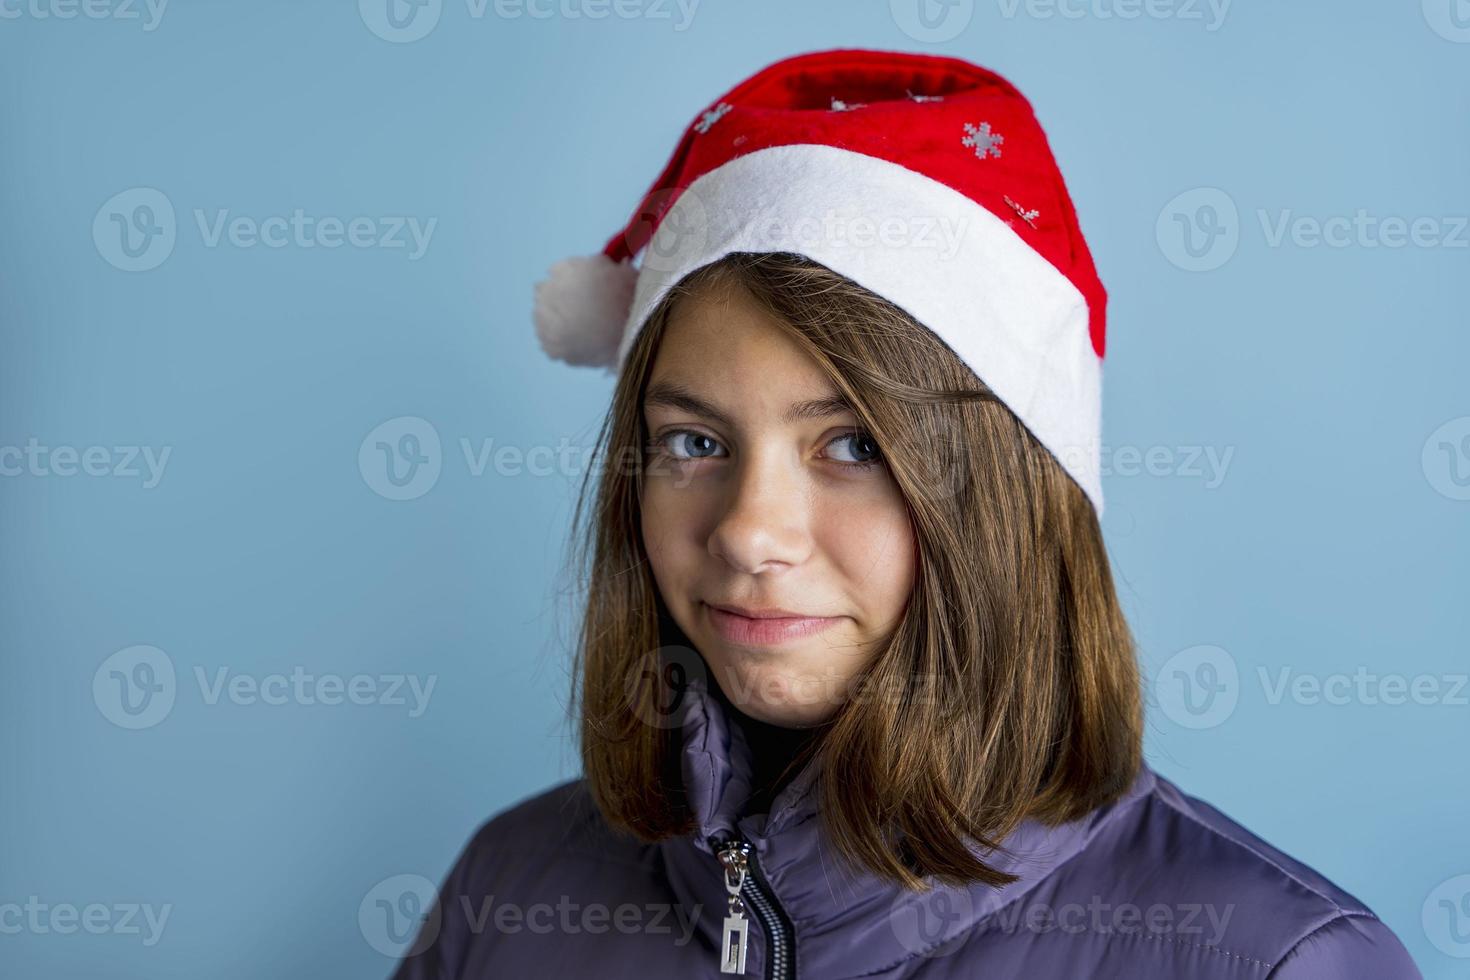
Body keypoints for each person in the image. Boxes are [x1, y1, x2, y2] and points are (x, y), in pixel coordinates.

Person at [391, 48, 1421, 978]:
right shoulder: (510, 892)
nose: (750, 532)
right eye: (694, 443)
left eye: (855, 447)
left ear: (1017, 493)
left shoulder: (1276, 961)